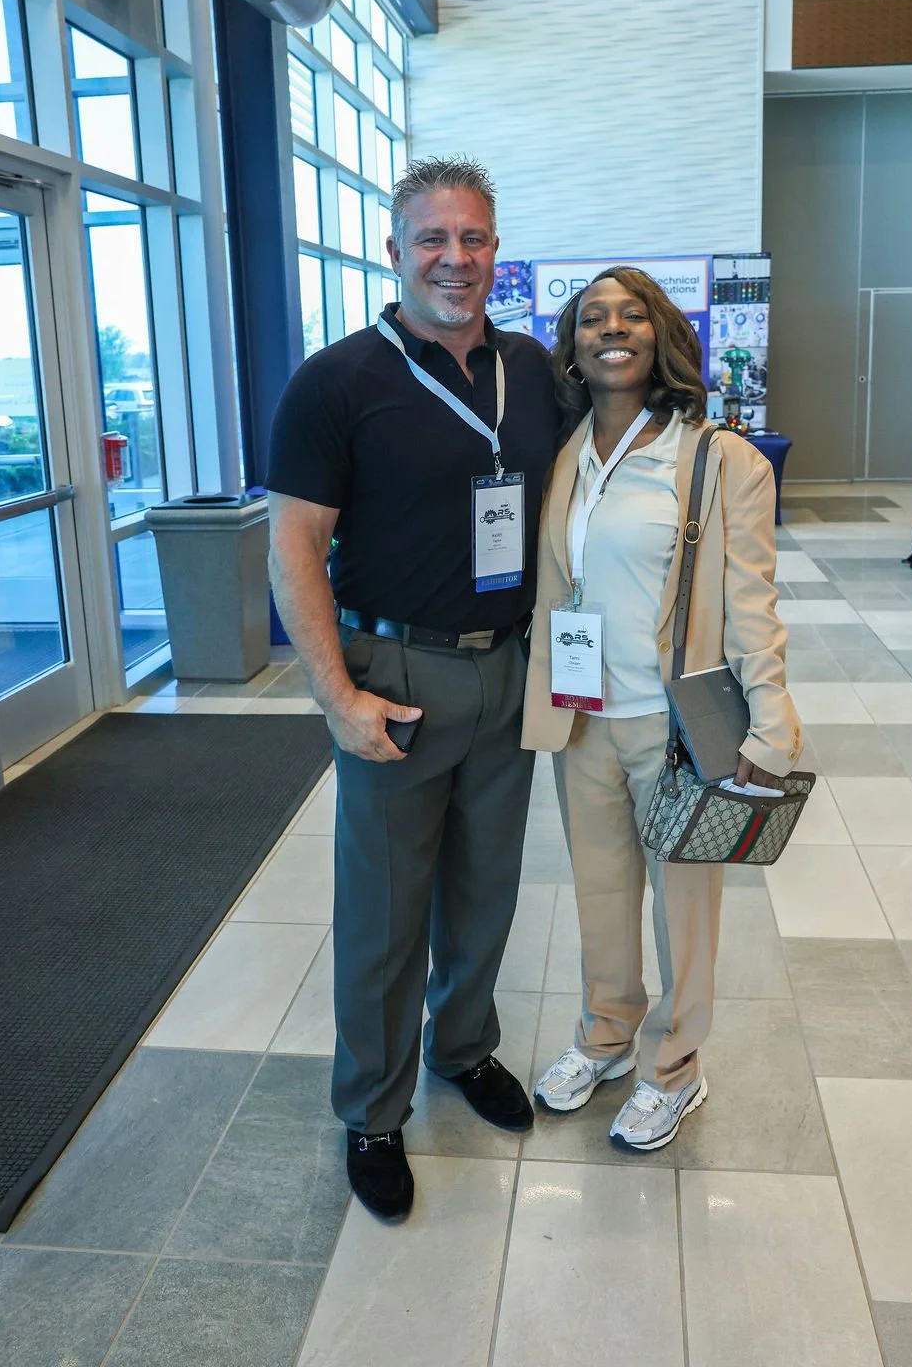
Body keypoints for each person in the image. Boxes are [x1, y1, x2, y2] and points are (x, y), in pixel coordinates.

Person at [266, 158, 559, 1220]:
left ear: (495, 251)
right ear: (393, 253)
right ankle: (373, 1110)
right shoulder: (337, 381)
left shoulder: (534, 372)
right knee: (385, 915)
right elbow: (293, 544)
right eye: (432, 238)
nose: (455, 257)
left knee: (485, 893)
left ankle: (463, 1050)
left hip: (510, 668)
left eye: (473, 238)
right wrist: (338, 695)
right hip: (394, 672)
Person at [523, 267, 802, 1152]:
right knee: (602, 895)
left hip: (676, 727)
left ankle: (675, 1067)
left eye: (631, 314)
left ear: (663, 335)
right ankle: (606, 1035)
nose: (612, 329)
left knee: (683, 910)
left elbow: (753, 599)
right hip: (582, 715)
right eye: (592, 317)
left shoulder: (720, 458)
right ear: (571, 344)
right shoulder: (564, 452)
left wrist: (772, 720)